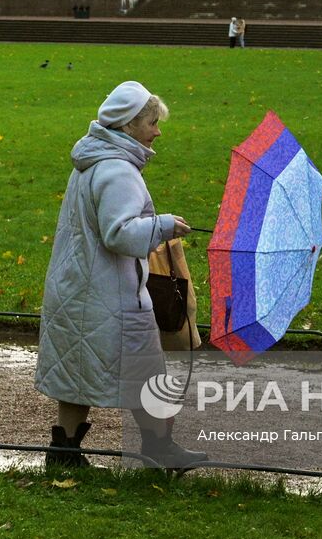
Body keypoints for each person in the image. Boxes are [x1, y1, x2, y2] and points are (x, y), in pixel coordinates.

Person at [34, 81, 207, 470]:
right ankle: (160, 451)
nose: (158, 131)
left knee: (78, 371)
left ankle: (64, 452)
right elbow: (118, 233)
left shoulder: (93, 160)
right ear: (129, 125)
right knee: (148, 374)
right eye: (152, 122)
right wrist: (162, 226)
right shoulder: (118, 170)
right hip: (112, 294)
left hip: (80, 286)